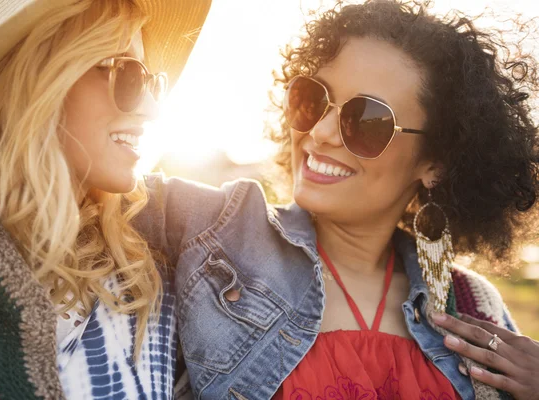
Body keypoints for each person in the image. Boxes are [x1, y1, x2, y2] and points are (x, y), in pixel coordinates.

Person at [136, 0, 539, 399]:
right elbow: (81, 197)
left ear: (436, 162)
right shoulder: (207, 234)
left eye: (366, 120)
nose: (322, 133)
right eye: (313, 99)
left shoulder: (471, 303)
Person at [0, 0, 210, 398]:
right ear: (41, 77)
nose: (152, 110)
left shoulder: (152, 286)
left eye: (153, 82)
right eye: (128, 74)